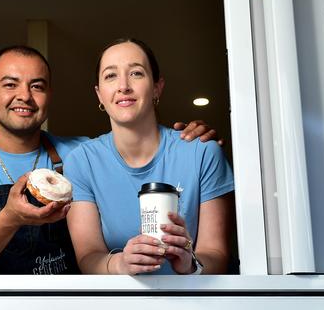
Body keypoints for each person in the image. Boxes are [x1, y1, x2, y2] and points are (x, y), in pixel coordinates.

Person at [0, 45, 221, 274]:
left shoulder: (80, 155)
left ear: (49, 95)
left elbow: (131, 138)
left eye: (37, 86)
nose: (24, 96)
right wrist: (9, 218)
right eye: (10, 85)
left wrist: (189, 141)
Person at [64, 38, 235, 275]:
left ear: (157, 87)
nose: (123, 86)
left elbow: (216, 255)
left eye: (136, 73)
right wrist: (121, 264)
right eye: (110, 76)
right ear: (99, 94)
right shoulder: (81, 161)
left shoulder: (202, 152)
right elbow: (88, 256)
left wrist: (190, 264)